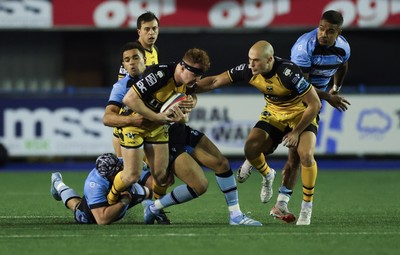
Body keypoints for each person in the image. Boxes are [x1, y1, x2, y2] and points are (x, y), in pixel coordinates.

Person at [237, 10, 351, 224]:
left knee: (297, 157)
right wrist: (328, 97)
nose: (323, 34)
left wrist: (336, 87)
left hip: (312, 103)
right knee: (287, 149)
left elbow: (342, 65)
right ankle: (254, 160)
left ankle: (281, 203)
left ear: (339, 32)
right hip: (296, 101)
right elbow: (303, 89)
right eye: (321, 28)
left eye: (330, 31)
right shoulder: (303, 48)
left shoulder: (343, 47)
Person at [195, 40, 322, 225]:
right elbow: (215, 81)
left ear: (269, 59)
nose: (251, 64)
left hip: (301, 115)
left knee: (306, 155)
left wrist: (296, 132)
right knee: (251, 149)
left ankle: (306, 208)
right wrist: (186, 88)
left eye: (255, 60)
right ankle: (268, 174)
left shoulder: (288, 73)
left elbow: (315, 104)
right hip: (274, 114)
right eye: (249, 59)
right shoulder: (248, 70)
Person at [106, 48, 209, 209]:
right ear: (182, 67)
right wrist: (156, 117)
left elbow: (182, 113)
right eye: (195, 73)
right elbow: (129, 99)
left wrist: (185, 112)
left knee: (162, 177)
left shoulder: (185, 81)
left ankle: (155, 209)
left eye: (200, 74)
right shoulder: (160, 75)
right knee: (132, 175)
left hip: (157, 128)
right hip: (135, 126)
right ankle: (111, 199)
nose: (198, 78)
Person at [50, 153, 152, 225]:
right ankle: (58, 185)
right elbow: (102, 220)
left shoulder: (122, 163)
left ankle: (153, 210)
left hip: (122, 192)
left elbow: (149, 178)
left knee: (147, 192)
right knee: (79, 211)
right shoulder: (93, 184)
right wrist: (124, 202)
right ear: (106, 175)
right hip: (104, 203)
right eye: (113, 174)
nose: (119, 173)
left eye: (120, 169)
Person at [118, 11, 159, 80]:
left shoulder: (155, 50)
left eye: (154, 28)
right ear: (139, 32)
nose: (151, 32)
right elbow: (122, 83)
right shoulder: (132, 53)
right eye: (147, 29)